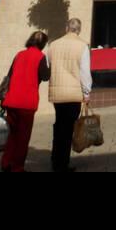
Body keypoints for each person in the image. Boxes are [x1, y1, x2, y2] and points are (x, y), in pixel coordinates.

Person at [0, 31, 49, 173]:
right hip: (26, 102)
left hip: (11, 100)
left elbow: (9, 76)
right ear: (43, 44)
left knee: (12, 134)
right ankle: (17, 167)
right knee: (23, 137)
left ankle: (6, 162)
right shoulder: (40, 57)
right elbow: (45, 76)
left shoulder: (19, 55)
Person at [46, 17, 92, 172]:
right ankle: (61, 164)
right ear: (79, 30)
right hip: (73, 94)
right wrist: (87, 92)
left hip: (57, 94)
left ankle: (55, 158)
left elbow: (48, 66)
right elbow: (85, 72)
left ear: (67, 28)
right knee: (67, 130)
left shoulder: (53, 45)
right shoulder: (82, 46)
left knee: (59, 125)